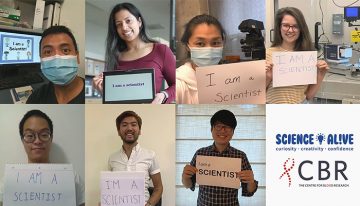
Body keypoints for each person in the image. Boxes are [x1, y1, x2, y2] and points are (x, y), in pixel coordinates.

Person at [92, 3, 175, 104]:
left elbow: (178, 85)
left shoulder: (161, 51)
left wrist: (164, 95)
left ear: (139, 22)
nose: (124, 27)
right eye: (119, 24)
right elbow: (115, 100)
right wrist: (104, 92)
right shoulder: (114, 57)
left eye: (128, 21)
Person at [0, 110, 85, 206]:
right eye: (30, 136)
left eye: (44, 135)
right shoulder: (8, 182)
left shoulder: (73, 178)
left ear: (51, 138)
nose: (37, 141)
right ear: (22, 140)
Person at [182, 110, 258, 205]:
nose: (222, 130)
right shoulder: (200, 153)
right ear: (211, 129)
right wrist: (185, 177)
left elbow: (249, 190)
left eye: (228, 127)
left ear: (233, 132)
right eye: (218, 126)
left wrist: (251, 181)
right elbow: (189, 184)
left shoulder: (240, 156)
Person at [266, 7, 328, 104]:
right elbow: (257, 93)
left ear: (301, 29)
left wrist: (321, 74)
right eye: (286, 25)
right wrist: (268, 76)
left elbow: (308, 95)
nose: (290, 30)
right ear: (279, 27)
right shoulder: (268, 54)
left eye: (295, 26)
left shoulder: (307, 57)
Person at [108, 111, 163, 206]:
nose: (129, 128)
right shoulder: (112, 158)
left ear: (140, 130)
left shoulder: (150, 155)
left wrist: (149, 204)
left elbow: (158, 188)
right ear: (118, 131)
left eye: (133, 125)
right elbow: (110, 188)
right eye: (124, 125)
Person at [26, 26, 85, 104]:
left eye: (65, 50)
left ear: (77, 57)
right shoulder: (35, 99)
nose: (57, 59)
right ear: (41, 60)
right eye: (48, 52)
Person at [176, 14, 226, 104]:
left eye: (215, 43)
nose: (209, 49)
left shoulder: (232, 79)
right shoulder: (178, 83)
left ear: (223, 43)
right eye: (200, 43)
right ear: (187, 46)